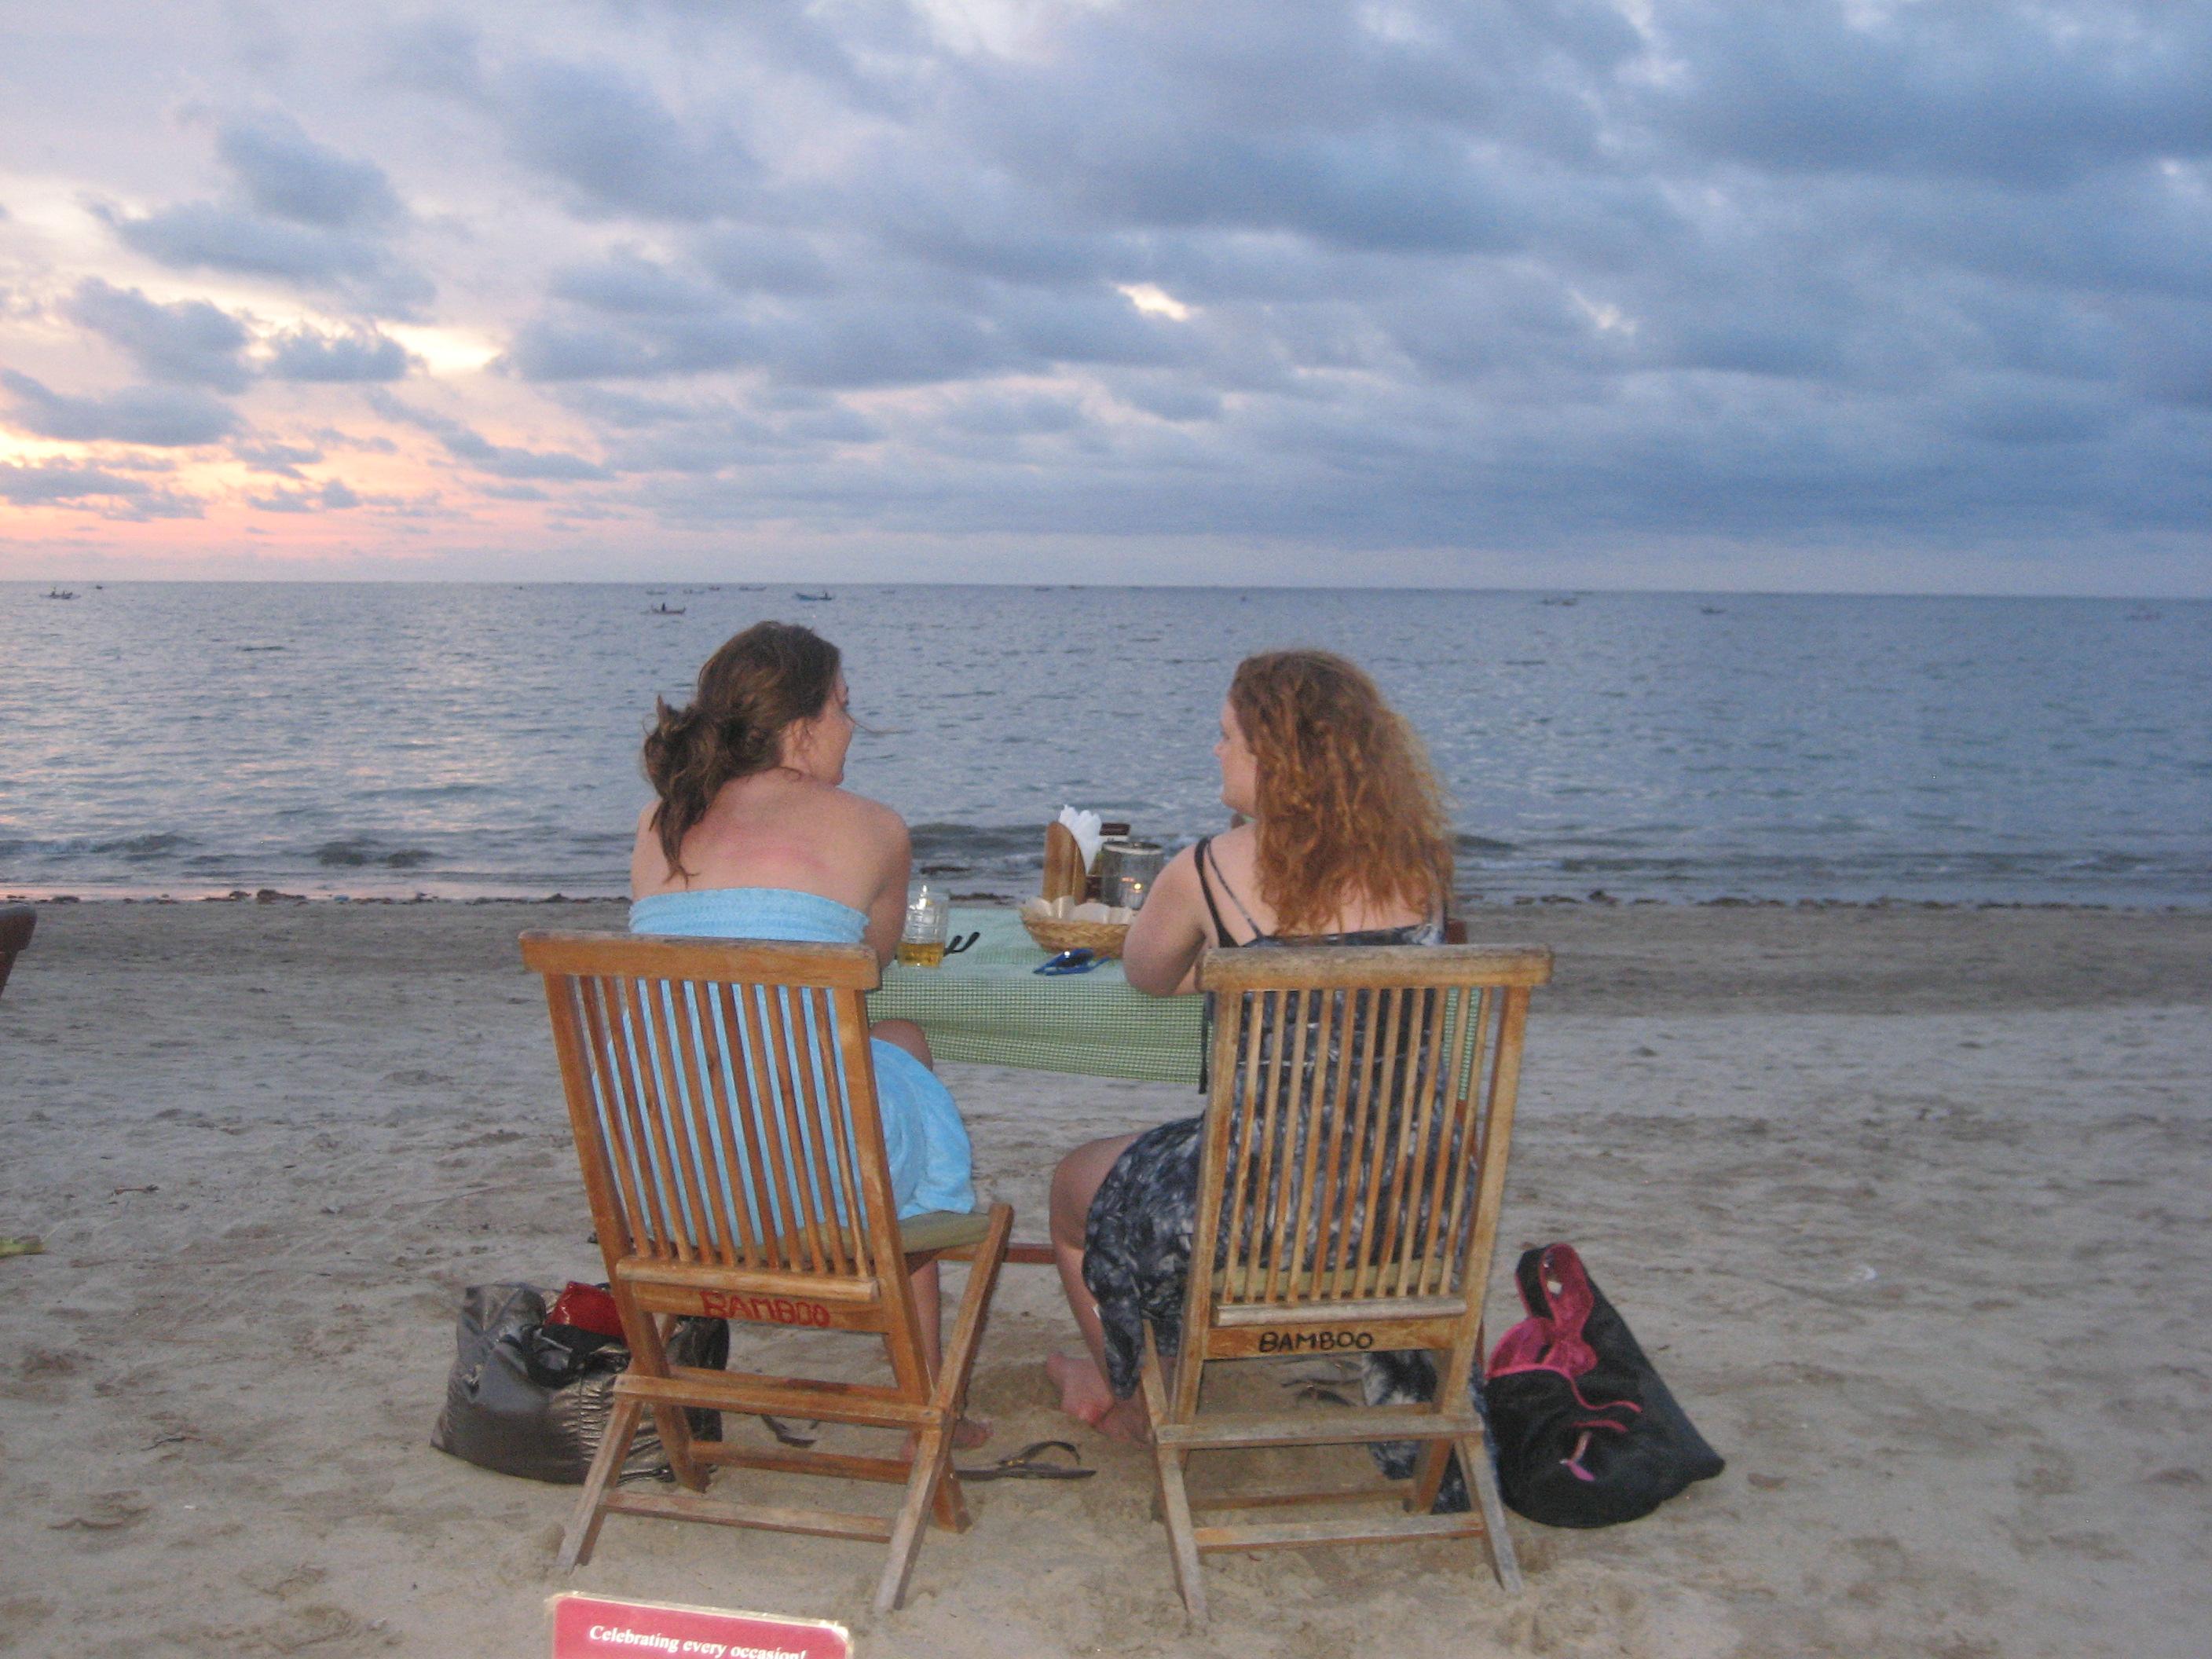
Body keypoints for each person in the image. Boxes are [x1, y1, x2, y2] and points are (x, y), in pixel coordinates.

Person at [1046, 650, 1454, 1440]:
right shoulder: (1418, 863)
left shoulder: (1212, 868)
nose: (1215, 750)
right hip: (1405, 1202)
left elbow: (1148, 973)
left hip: (1260, 1212)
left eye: (1227, 735)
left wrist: (1229, 961)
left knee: (1072, 1190)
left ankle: (1129, 1394)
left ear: (1276, 758)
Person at [628, 621, 980, 1427]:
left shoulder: (657, 826)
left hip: (681, 1175)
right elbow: (873, 963)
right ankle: (922, 1409)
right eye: (843, 707)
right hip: (817, 1175)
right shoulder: (871, 826)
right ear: (800, 728)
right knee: (900, 1061)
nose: (852, 726)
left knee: (886, 1057)